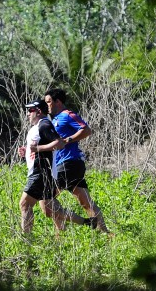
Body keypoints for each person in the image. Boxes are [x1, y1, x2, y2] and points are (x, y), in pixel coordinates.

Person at [17, 98, 93, 234]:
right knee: (49, 209)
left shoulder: (44, 124)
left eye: (30, 110)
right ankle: (87, 222)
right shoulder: (37, 127)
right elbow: (37, 148)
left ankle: (26, 242)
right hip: (41, 172)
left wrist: (38, 148)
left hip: (41, 172)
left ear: (38, 111)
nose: (28, 113)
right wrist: (26, 151)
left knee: (25, 204)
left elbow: (59, 143)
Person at [44, 88, 110, 233]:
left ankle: (61, 234)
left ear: (58, 102)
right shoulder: (53, 120)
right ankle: (106, 234)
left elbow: (86, 130)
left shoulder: (67, 115)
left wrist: (68, 140)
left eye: (49, 102)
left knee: (47, 199)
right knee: (86, 203)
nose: (47, 105)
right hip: (65, 164)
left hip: (69, 163)